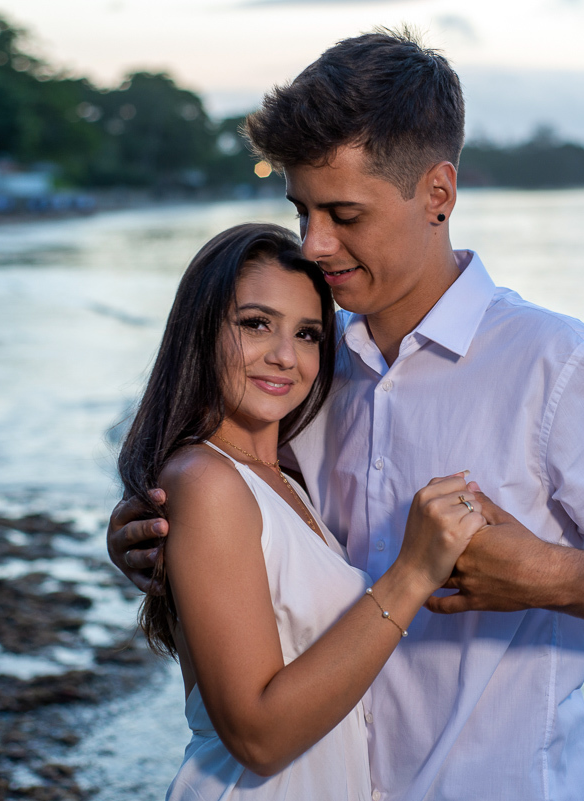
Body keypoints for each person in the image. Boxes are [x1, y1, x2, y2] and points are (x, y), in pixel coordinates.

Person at [110, 31, 584, 801]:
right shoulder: (304, 370)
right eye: (303, 210)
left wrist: (547, 572)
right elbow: (245, 516)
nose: (314, 245)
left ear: (437, 194)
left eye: (345, 214)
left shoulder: (552, 361)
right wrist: (158, 532)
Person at [118, 222, 485, 800]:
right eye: (255, 324)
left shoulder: (284, 481)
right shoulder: (207, 481)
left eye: (309, 334)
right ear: (200, 330)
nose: (285, 357)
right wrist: (413, 573)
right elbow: (258, 738)